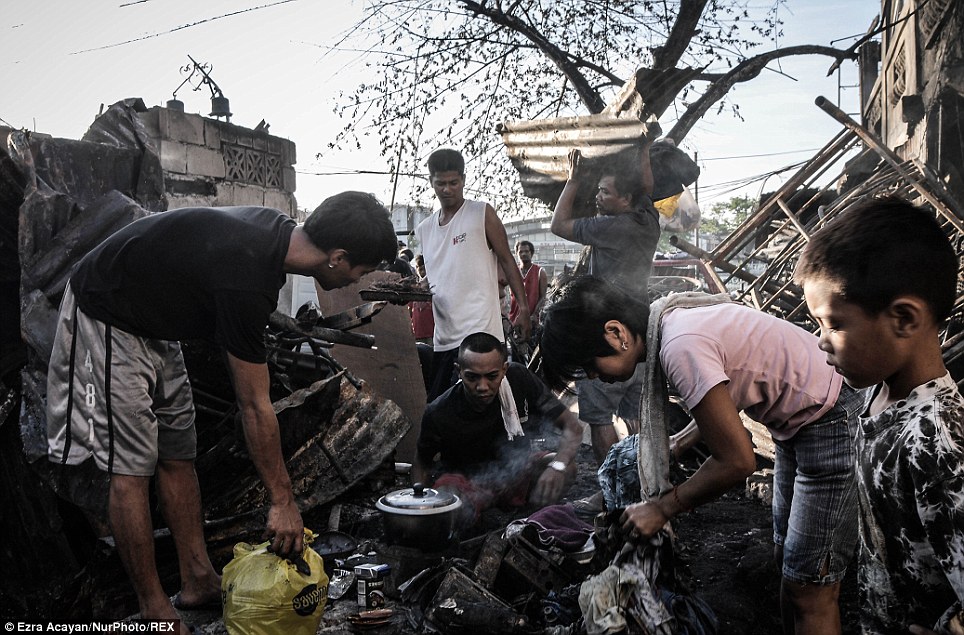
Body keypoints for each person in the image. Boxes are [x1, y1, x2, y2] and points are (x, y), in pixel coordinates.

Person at [45, 193, 397, 631]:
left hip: (155, 323)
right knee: (131, 466)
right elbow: (254, 406)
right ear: (338, 257)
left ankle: (197, 577)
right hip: (108, 311)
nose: (355, 281)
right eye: (360, 271)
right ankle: (154, 607)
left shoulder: (275, 239)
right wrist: (283, 501)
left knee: (178, 452)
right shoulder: (247, 275)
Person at [539, 276, 864, 635]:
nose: (593, 376)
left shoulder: (680, 346)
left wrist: (662, 508)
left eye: (589, 365)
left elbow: (738, 462)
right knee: (788, 562)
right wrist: (678, 443)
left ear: (616, 333)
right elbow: (729, 390)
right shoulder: (671, 321)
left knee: (811, 588)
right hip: (799, 424)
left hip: (829, 418)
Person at [795, 196, 964, 635]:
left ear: (904, 319)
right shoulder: (877, 395)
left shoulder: (936, 440)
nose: (821, 341)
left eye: (834, 324)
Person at [550, 137, 661, 465]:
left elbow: (558, 225)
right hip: (640, 333)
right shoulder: (647, 218)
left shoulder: (611, 227)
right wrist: (644, 148)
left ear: (625, 199)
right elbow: (646, 187)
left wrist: (573, 180)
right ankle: (641, 478)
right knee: (635, 415)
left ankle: (610, 482)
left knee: (599, 417)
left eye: (604, 192)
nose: (598, 196)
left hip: (607, 336)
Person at [412, 332, 584, 525]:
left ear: (504, 369)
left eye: (492, 376)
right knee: (449, 503)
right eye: (472, 377)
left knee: (566, 467)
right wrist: (421, 506)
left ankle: (530, 523)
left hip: (518, 475)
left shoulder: (519, 378)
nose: (482, 386)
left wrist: (557, 466)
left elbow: (572, 427)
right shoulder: (439, 411)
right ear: (459, 371)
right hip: (467, 484)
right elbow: (421, 463)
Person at [415, 148, 531, 400]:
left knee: (485, 404)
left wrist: (523, 308)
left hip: (482, 333)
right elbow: (437, 274)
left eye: (454, 182)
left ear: (463, 180)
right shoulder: (424, 229)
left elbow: (507, 260)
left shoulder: (481, 213)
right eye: (441, 183)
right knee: (442, 406)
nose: (447, 189)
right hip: (444, 336)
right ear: (431, 181)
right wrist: (414, 288)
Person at [509, 240, 548, 331]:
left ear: (531, 253)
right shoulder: (513, 272)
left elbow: (543, 297)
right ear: (517, 254)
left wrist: (535, 314)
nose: (523, 254)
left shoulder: (540, 272)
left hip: (532, 321)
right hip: (514, 320)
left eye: (526, 251)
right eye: (520, 252)